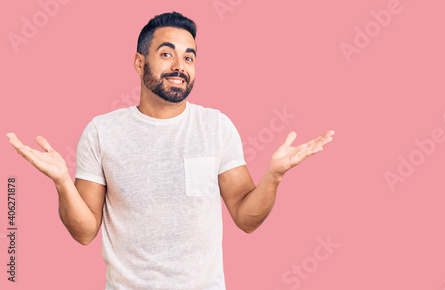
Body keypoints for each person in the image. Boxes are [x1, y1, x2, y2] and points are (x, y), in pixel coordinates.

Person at [6, 11, 334, 290]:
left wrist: (274, 176)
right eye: (167, 54)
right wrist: (62, 182)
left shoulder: (216, 127)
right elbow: (84, 232)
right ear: (139, 62)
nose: (180, 65)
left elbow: (246, 219)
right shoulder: (102, 132)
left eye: (189, 57)